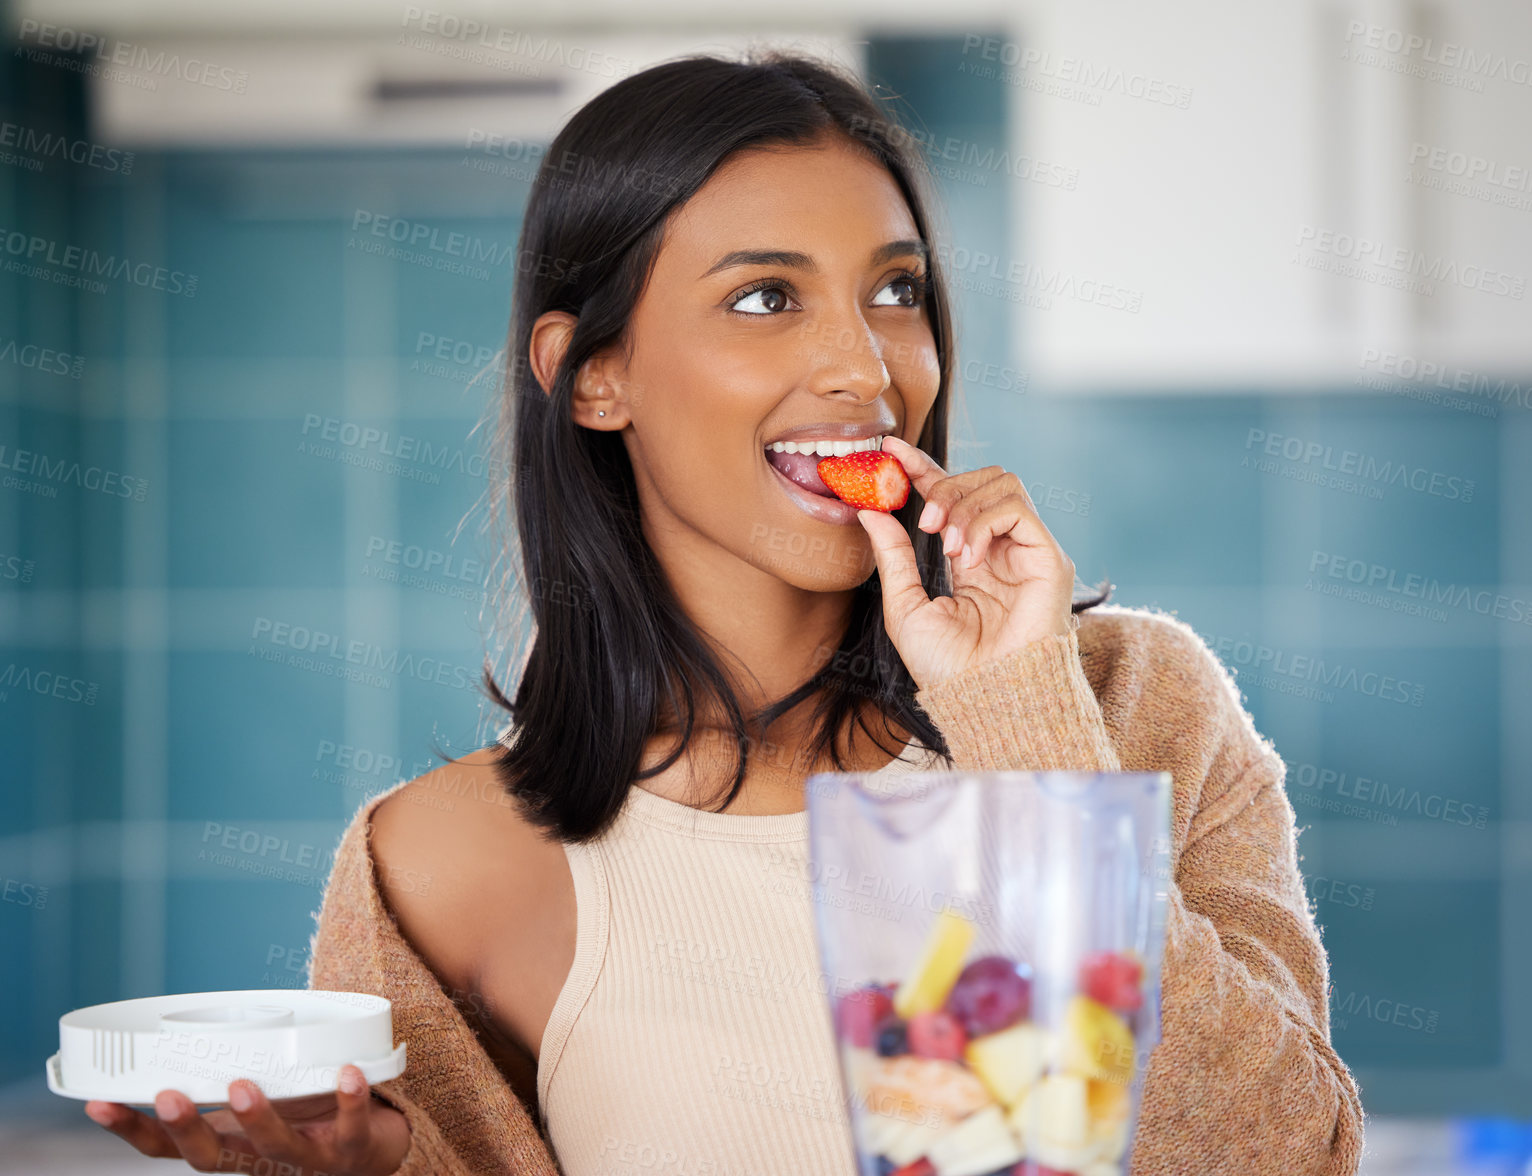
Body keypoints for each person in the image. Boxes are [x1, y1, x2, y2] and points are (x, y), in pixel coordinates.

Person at [84, 50, 1364, 1175]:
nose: (866, 369)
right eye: (766, 297)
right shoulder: (438, 866)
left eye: (897, 290)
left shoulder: (1132, 708)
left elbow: (1284, 1160)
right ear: (592, 378)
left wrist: (1018, 728)